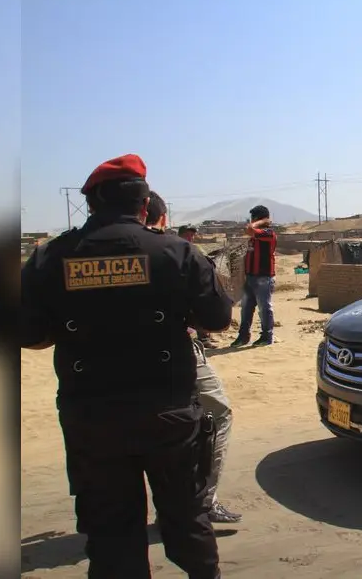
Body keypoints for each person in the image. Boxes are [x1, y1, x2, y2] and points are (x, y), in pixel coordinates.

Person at [20, 154, 233, 579]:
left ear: (91, 203)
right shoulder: (177, 252)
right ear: (144, 204)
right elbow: (217, 320)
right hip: (169, 414)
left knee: (111, 530)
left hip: (92, 418)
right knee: (186, 515)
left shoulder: (50, 257)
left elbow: (30, 335)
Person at [145, 194, 242, 524]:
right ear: (160, 217)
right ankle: (203, 500)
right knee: (217, 413)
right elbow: (217, 317)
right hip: (174, 354)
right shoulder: (176, 252)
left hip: (104, 365)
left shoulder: (76, 252)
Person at [230, 204, 277, 347]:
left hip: (263, 277)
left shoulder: (268, 233)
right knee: (246, 308)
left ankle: (267, 336)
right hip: (250, 277)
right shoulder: (255, 236)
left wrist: (262, 221)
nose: (251, 220)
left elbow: (249, 229)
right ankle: (243, 336)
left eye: (253, 218)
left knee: (264, 308)